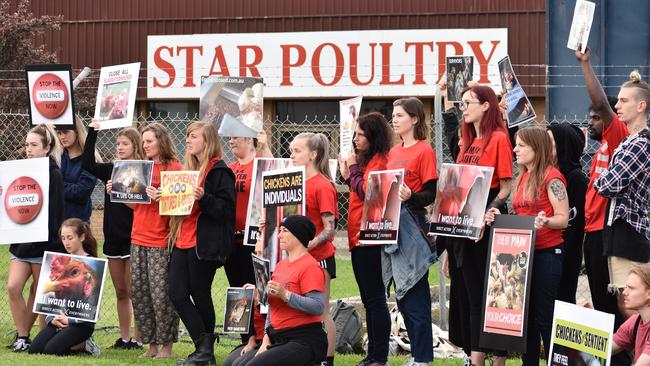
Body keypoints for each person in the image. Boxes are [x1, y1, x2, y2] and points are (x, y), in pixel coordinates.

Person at [486, 127, 569, 365]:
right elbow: (519, 216)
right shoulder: (522, 177)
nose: (515, 150)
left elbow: (563, 218)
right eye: (516, 144)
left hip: (547, 254)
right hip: (522, 256)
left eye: (521, 145)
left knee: (544, 318)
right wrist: (496, 215)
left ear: (537, 148)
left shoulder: (552, 177)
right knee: (526, 320)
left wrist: (545, 221)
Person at [576, 48, 631, 365]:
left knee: (615, 308)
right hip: (592, 235)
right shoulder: (598, 152)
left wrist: (585, 65)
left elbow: (600, 103)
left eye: (597, 117)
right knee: (600, 307)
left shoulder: (619, 137)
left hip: (609, 235)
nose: (591, 121)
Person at [454, 85, 513, 366]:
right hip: (464, 223)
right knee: (473, 294)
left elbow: (505, 187)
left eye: (468, 102)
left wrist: (488, 213)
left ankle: (498, 359)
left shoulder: (499, 138)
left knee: (495, 295)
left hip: (488, 221)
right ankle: (476, 359)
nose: (463, 107)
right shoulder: (467, 141)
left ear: (486, 106)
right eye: (462, 102)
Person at [168, 121, 236, 365]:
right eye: (187, 136)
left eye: (193, 136)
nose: (188, 140)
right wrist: (163, 198)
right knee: (176, 293)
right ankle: (203, 347)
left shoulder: (219, 171)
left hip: (203, 244)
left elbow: (226, 211)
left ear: (207, 141)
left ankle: (204, 352)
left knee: (200, 292)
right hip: (182, 239)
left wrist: (204, 197)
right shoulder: (188, 170)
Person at [385, 97, 437, 366]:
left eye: (400, 115)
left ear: (415, 119)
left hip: (412, 227)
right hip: (392, 227)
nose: (394, 119)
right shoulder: (393, 152)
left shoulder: (424, 150)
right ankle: (417, 354)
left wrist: (412, 196)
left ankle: (423, 358)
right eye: (393, 115)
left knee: (415, 293)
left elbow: (431, 193)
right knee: (402, 296)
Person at [82, 121, 144, 349]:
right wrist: (93, 132)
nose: (119, 147)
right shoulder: (111, 169)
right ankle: (125, 338)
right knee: (121, 291)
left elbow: (140, 206)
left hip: (134, 237)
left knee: (135, 291)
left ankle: (139, 339)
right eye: (117, 143)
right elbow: (87, 163)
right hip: (113, 237)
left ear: (135, 145)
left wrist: (118, 190)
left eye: (124, 143)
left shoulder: (142, 170)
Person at [595, 70, 650, 317]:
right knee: (625, 302)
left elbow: (608, 184)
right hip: (619, 230)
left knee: (633, 305)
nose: (617, 105)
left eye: (624, 100)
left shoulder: (641, 143)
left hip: (632, 230)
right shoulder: (629, 141)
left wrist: (601, 179)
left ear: (641, 105)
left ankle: (643, 354)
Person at [5, 124, 64, 352]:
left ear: (47, 148)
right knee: (13, 287)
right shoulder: (18, 171)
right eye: (27, 144)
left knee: (39, 294)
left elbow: (56, 214)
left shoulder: (54, 174)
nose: (28, 149)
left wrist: (51, 246)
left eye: (34, 145)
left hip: (44, 245)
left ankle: (34, 338)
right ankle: (22, 336)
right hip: (21, 242)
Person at [339, 112, 392, 366]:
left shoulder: (380, 160)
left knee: (375, 298)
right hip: (357, 236)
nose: (355, 139)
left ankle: (379, 356)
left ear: (373, 136)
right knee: (368, 299)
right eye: (355, 133)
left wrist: (351, 171)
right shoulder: (367, 159)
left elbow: (368, 192)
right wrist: (349, 171)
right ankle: (372, 355)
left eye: (361, 134)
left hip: (370, 237)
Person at [239, 215, 328, 366]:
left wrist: (285, 294)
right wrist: (259, 296)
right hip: (278, 335)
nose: (279, 235)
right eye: (280, 230)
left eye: (284, 231)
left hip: (303, 339)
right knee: (233, 363)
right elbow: (273, 307)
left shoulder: (310, 267)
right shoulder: (281, 265)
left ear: (298, 234)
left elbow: (318, 307)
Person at [131, 122, 181, 359]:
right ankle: (150, 344)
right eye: (143, 142)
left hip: (160, 239)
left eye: (149, 141)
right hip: (137, 237)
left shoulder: (174, 168)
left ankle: (166, 346)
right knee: (141, 293)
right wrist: (118, 191)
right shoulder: (141, 168)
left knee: (161, 295)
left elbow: (180, 208)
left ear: (161, 141)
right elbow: (134, 204)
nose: (145, 145)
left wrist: (162, 197)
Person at [289, 132, 338, 366]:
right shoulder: (293, 181)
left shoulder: (322, 185)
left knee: (321, 310)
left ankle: (327, 360)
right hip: (296, 259)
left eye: (297, 151)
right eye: (291, 151)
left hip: (319, 258)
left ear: (313, 154)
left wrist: (310, 244)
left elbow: (330, 228)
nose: (292, 155)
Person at [28, 218, 98, 356]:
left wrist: (70, 320)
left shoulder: (92, 264)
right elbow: (50, 303)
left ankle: (86, 344)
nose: (66, 242)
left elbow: (93, 310)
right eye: (63, 238)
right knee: (35, 350)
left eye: (70, 238)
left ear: (82, 237)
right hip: (59, 319)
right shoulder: (60, 260)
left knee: (51, 350)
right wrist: (51, 318)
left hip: (81, 324)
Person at [547, 123, 588, 304]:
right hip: (547, 250)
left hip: (566, 252)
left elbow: (575, 222)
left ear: (563, 146)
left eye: (549, 142)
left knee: (562, 301)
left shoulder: (576, 178)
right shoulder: (547, 174)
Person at [56, 117, 98, 222]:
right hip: (56, 220)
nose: (62, 136)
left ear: (77, 132)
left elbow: (81, 192)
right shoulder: (57, 158)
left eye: (65, 132)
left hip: (78, 222)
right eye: (59, 133)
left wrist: (55, 185)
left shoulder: (89, 160)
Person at [611, 265, 650, 365]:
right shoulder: (636, 321)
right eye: (626, 287)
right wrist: (589, 317)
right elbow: (604, 348)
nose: (624, 292)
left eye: (631, 288)